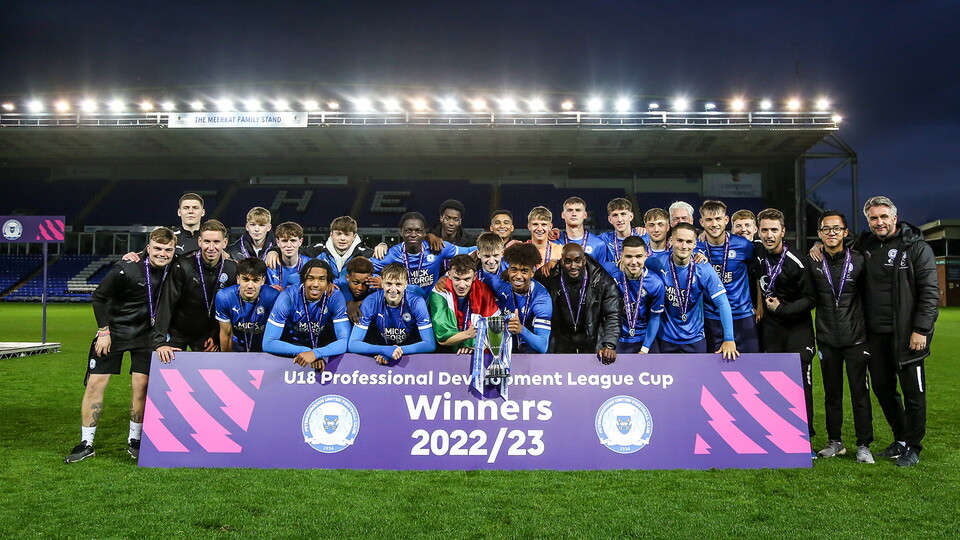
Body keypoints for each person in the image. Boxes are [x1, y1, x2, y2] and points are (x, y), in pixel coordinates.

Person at [812, 196, 938, 467]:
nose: (878, 222)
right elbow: (837, 245)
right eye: (873, 218)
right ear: (867, 221)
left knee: (913, 393)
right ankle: (901, 439)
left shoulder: (915, 247)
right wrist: (817, 245)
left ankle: (913, 447)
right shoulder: (865, 245)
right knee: (882, 388)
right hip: (874, 335)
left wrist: (921, 329)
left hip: (907, 334)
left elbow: (930, 293)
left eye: (883, 217)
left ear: (895, 217)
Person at [65, 227, 177, 463]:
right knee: (96, 383)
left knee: (142, 386)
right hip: (113, 333)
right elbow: (99, 297)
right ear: (148, 248)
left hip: (146, 336)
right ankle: (86, 442)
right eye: (157, 248)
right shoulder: (126, 268)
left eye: (168, 249)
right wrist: (103, 331)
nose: (163, 253)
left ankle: (134, 440)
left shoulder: (173, 270)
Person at [806, 211, 874, 463]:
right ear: (820, 233)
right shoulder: (812, 260)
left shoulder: (860, 259)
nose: (831, 233)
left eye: (837, 229)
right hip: (826, 339)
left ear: (846, 232)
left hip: (856, 338)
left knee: (859, 393)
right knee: (832, 395)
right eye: (826, 229)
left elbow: (871, 297)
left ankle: (864, 444)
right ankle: (835, 442)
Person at [755, 208, 816, 438]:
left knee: (800, 384)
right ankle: (777, 433)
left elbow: (811, 298)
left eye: (773, 230)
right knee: (773, 381)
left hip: (797, 330)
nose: (769, 235)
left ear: (783, 231)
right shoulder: (757, 251)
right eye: (764, 230)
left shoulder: (798, 261)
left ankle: (805, 436)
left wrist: (783, 309)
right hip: (771, 329)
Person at [646, 223, 739, 359]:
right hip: (665, 338)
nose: (684, 246)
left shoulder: (703, 268)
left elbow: (723, 303)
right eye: (680, 240)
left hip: (695, 339)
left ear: (695, 244)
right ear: (671, 241)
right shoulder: (656, 263)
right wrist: (621, 264)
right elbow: (635, 265)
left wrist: (729, 339)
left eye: (689, 242)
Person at [153, 219, 237, 362]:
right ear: (199, 242)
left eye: (216, 242)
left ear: (225, 242)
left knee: (211, 378)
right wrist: (160, 342)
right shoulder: (183, 265)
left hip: (207, 335)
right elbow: (167, 303)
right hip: (177, 331)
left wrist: (216, 335)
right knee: (169, 376)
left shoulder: (232, 269)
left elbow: (230, 310)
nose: (211, 247)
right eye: (206, 241)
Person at [262, 259, 351, 371]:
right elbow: (268, 343)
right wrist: (305, 351)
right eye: (310, 278)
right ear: (303, 280)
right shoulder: (288, 297)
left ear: (328, 283)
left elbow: (344, 341)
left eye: (322, 279)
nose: (315, 284)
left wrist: (316, 353)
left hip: (324, 347)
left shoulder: (335, 297)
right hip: (293, 347)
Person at [697, 200, 761, 353]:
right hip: (711, 317)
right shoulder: (695, 249)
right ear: (701, 222)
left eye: (718, 219)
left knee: (752, 366)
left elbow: (758, 273)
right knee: (715, 370)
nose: (714, 224)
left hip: (742, 315)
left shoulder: (743, 245)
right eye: (709, 220)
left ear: (726, 220)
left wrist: (760, 306)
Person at [541, 244, 621, 363]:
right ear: (561, 261)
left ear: (584, 261)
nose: (573, 266)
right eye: (568, 261)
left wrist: (609, 345)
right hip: (560, 343)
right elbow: (527, 282)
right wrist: (506, 277)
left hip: (592, 342)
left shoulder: (602, 280)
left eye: (577, 261)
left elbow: (612, 314)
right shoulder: (550, 276)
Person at [372, 212, 476, 299]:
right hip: (403, 304)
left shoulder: (437, 247)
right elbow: (363, 269)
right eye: (408, 231)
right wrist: (385, 282)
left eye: (418, 231)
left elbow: (470, 250)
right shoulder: (392, 254)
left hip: (431, 303)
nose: (413, 234)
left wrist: (489, 243)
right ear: (401, 232)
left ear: (424, 233)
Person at [348, 263, 436, 364]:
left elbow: (430, 344)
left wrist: (396, 350)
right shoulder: (370, 302)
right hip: (378, 350)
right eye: (389, 284)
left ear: (406, 285)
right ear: (382, 284)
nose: (393, 290)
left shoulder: (417, 303)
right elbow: (353, 344)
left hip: (409, 352)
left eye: (398, 284)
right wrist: (384, 350)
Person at [429, 254, 502, 353]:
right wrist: (468, 334)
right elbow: (442, 338)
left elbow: (495, 331)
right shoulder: (440, 292)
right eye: (457, 279)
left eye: (467, 279)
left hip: (477, 350)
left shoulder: (483, 291)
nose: (462, 285)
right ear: (449, 275)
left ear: (475, 276)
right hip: (445, 353)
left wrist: (477, 349)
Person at [489, 242, 552, 353]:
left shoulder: (541, 299)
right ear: (508, 270)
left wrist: (521, 329)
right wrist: (446, 279)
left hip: (530, 356)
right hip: (503, 351)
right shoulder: (497, 284)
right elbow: (472, 278)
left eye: (524, 271)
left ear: (532, 272)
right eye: (514, 270)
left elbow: (542, 346)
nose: (518, 276)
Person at [608, 236, 665, 354]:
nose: (634, 262)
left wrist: (645, 349)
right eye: (628, 256)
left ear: (645, 255)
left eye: (638, 256)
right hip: (617, 339)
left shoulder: (655, 283)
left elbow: (655, 317)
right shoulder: (610, 276)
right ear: (621, 256)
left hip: (645, 339)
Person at [215, 257, 281, 353]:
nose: (250, 286)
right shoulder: (224, 297)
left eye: (255, 280)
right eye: (245, 279)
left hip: (264, 345)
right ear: (238, 279)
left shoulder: (273, 297)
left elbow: (274, 336)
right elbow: (227, 333)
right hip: (237, 345)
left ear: (263, 280)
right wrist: (227, 362)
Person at [309, 216, 377, 280]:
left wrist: (385, 245)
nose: (342, 238)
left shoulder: (366, 254)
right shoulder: (317, 251)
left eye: (347, 234)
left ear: (354, 236)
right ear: (331, 234)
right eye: (338, 234)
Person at [598, 197, 648, 266]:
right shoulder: (603, 239)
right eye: (615, 215)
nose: (619, 219)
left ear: (631, 216)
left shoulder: (644, 236)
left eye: (623, 214)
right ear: (610, 219)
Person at [557, 196, 608, 262]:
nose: (574, 214)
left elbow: (601, 271)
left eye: (578, 210)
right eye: (570, 210)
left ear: (585, 215)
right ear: (563, 215)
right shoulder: (554, 241)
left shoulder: (598, 244)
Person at [267, 221, 311, 290]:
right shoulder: (269, 265)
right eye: (284, 241)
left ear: (300, 242)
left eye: (293, 241)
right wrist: (267, 289)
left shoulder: (310, 265)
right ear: (278, 242)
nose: (289, 245)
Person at [334, 256, 377, 324]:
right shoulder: (336, 286)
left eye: (365, 283)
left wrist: (366, 302)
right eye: (356, 283)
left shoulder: (376, 285)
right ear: (347, 277)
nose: (360, 288)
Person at [526, 206, 564, 276]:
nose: (539, 229)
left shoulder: (560, 251)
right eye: (535, 224)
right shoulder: (520, 250)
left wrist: (557, 261)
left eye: (543, 224)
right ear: (529, 226)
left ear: (550, 227)